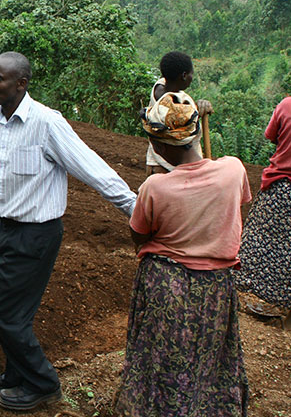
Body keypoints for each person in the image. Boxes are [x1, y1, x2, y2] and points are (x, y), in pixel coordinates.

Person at [0, 51, 136, 411]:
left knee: (10, 315)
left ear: (21, 83)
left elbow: (92, 168)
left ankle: (43, 383)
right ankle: (16, 375)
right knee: (2, 308)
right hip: (3, 229)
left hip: (37, 234)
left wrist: (134, 207)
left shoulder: (47, 123)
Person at [115, 91, 250, 416]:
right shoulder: (233, 171)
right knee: (210, 354)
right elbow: (235, 206)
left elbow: (139, 234)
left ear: (159, 148)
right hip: (216, 286)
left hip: (166, 285)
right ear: (194, 132)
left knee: (160, 356)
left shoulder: (155, 188)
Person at [234, 96, 291, 330]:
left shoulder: (288, 105)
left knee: (257, 245)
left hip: (281, 188)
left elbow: (271, 136)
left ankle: (256, 303)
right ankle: (290, 323)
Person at [145, 51, 213, 175]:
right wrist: (199, 107)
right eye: (191, 74)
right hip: (171, 168)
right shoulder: (177, 104)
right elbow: (180, 115)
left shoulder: (158, 87)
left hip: (155, 163)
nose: (192, 78)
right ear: (184, 76)